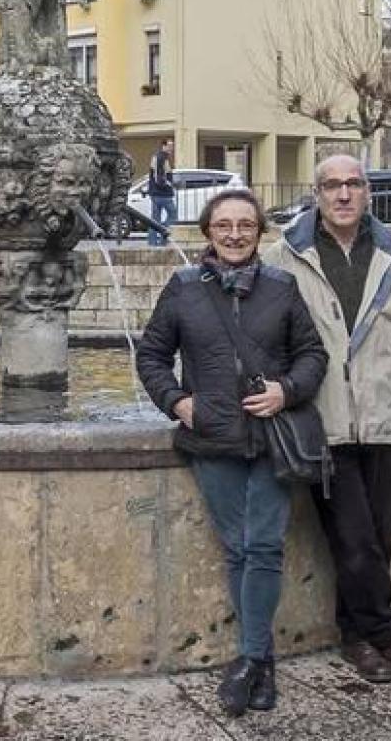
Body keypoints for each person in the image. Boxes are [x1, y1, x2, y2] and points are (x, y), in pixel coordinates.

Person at [136, 189, 328, 716]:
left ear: (259, 231)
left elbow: (313, 354)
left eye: (246, 225)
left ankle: (250, 660)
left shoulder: (282, 287)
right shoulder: (182, 288)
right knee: (238, 549)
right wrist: (177, 402)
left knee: (262, 545)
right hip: (212, 438)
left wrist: (286, 391)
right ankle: (261, 665)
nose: (236, 234)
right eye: (225, 225)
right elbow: (152, 354)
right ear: (208, 233)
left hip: (271, 439)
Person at [261, 154, 391, 685]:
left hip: (383, 421)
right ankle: (387, 634)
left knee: (377, 538)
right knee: (355, 537)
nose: (343, 194)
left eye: (353, 184)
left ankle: (356, 635)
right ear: (316, 193)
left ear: (367, 193)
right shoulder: (286, 257)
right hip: (323, 423)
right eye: (332, 185)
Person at [146, 138, 177, 246]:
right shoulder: (161, 157)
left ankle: (153, 242)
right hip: (162, 193)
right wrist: (167, 184)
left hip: (156, 193)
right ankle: (163, 233)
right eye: (169, 146)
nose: (171, 148)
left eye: (172, 146)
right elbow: (158, 176)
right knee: (173, 215)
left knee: (155, 219)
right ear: (163, 146)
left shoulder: (160, 157)